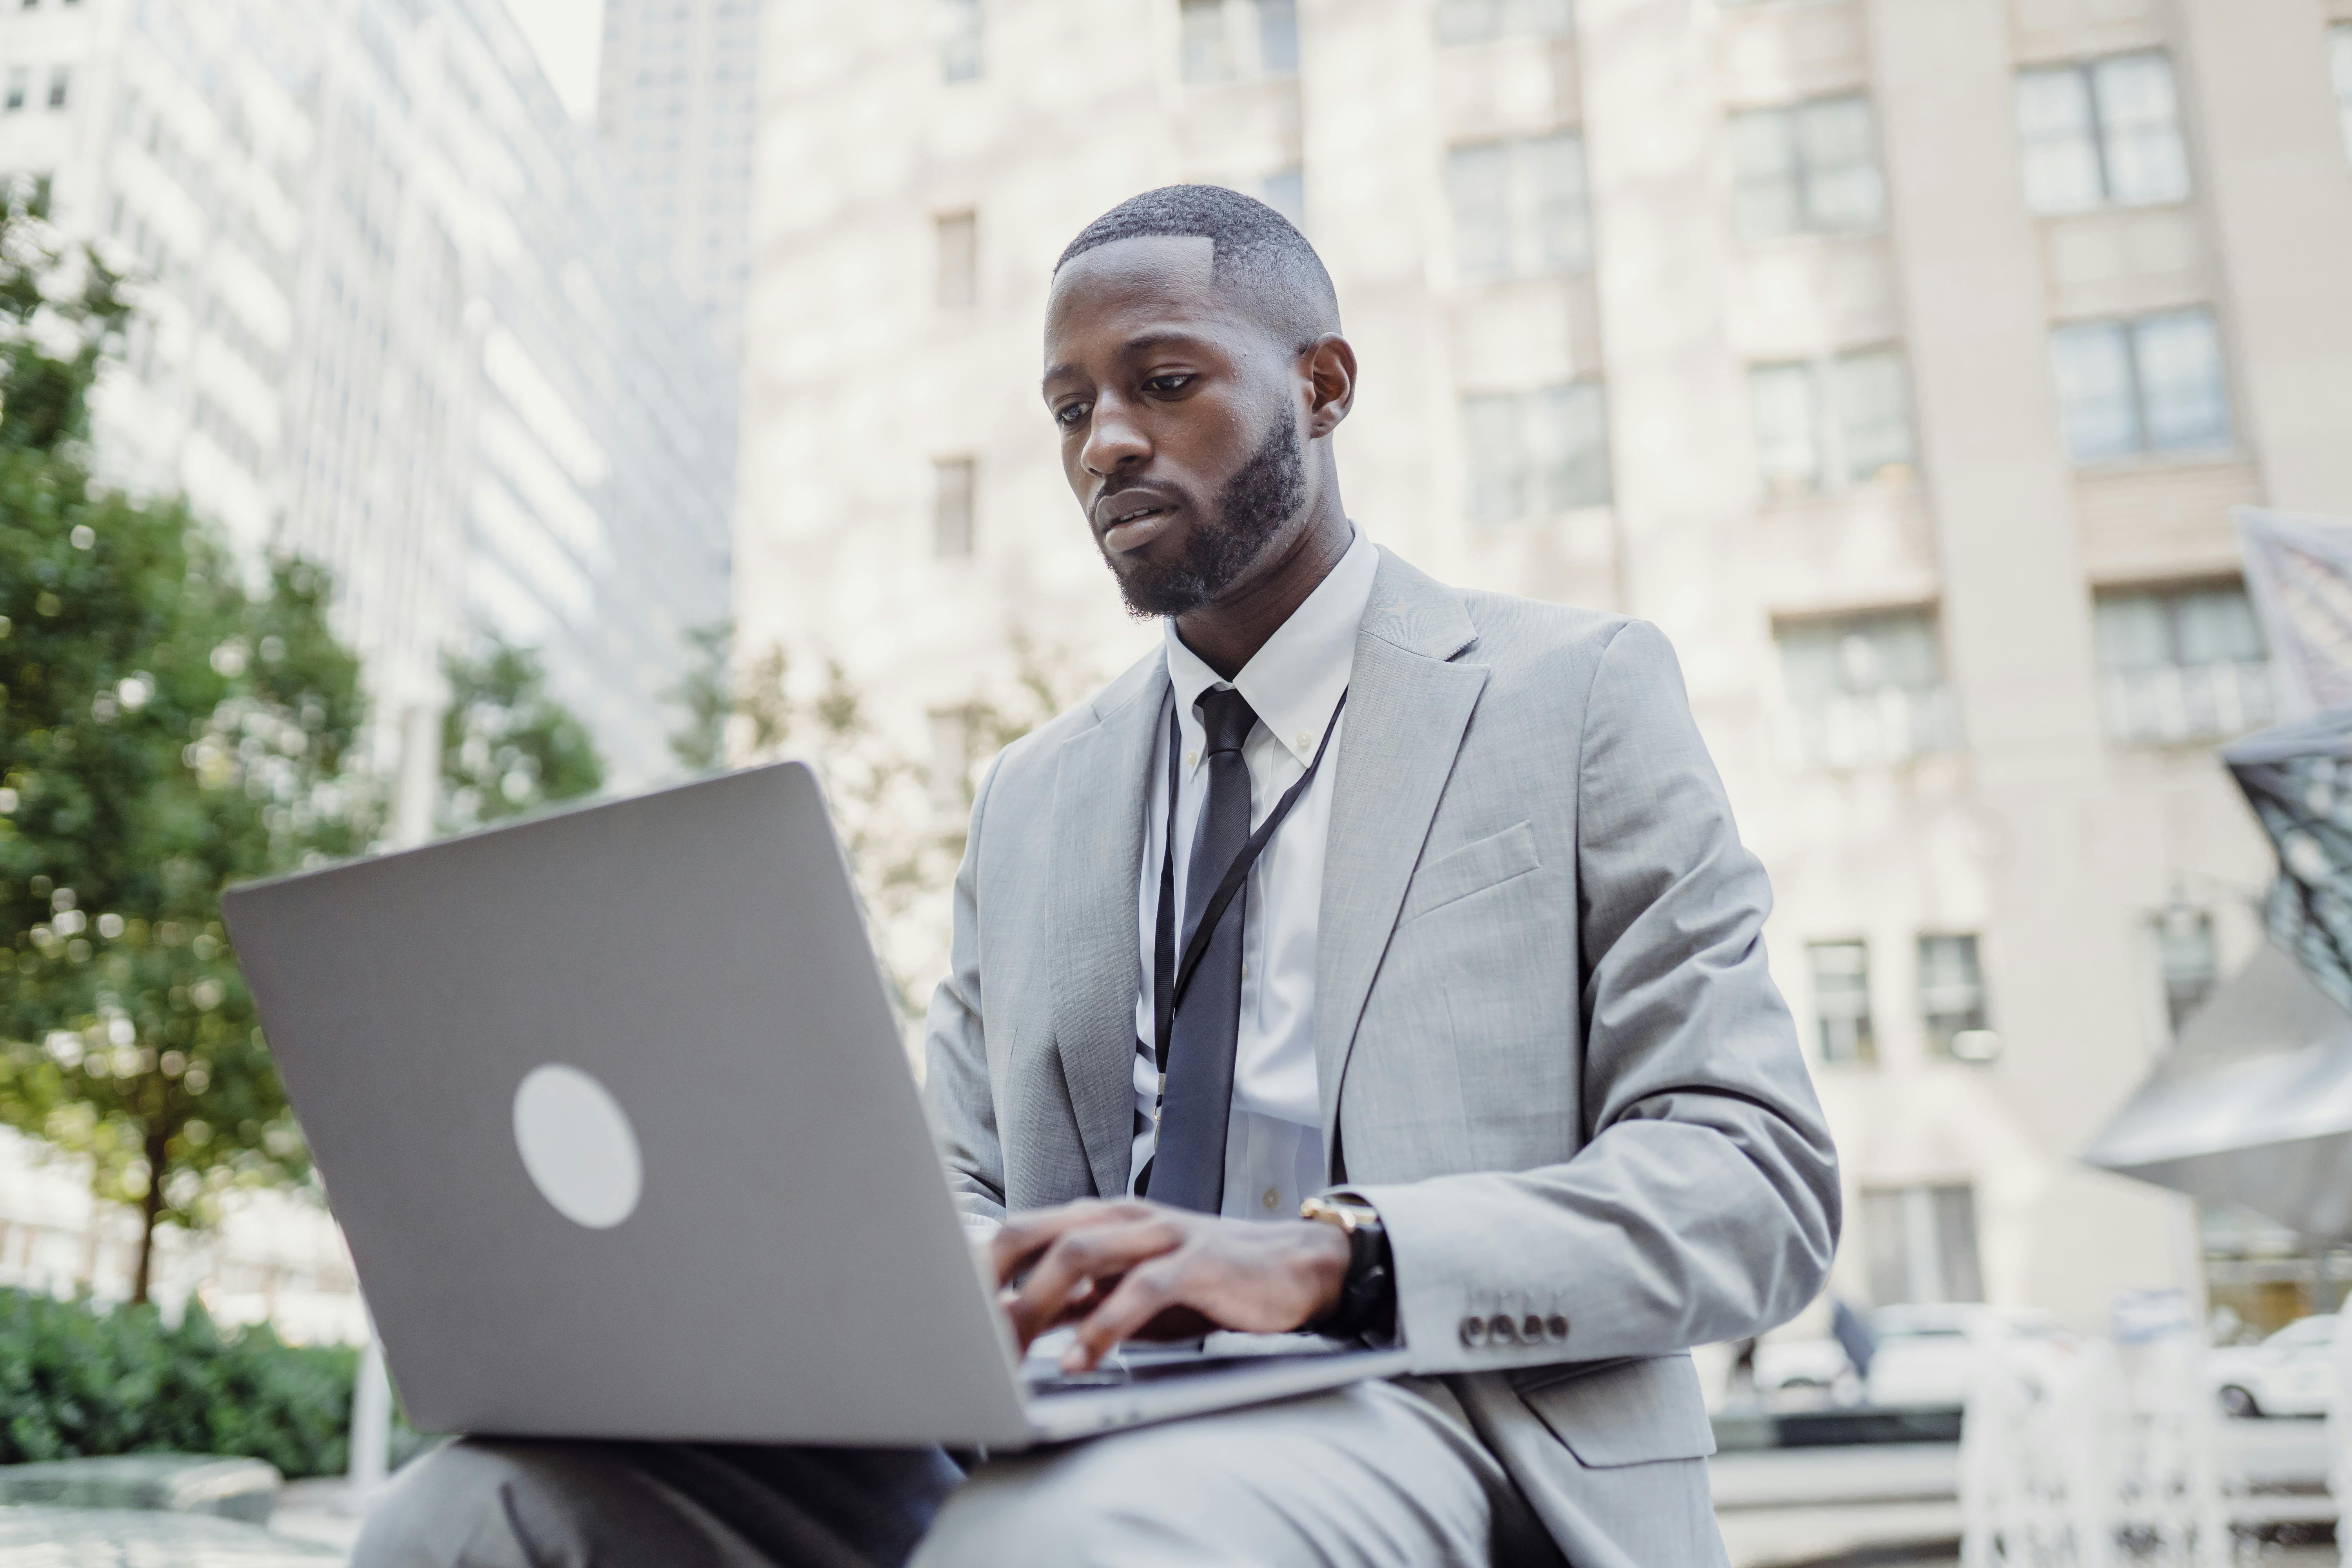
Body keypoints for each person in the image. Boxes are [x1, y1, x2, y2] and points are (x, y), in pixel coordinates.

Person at [356, 185, 1840, 1568]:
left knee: (1056, 1547)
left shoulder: (1573, 697)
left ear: (1322, 388)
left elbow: (1751, 1182)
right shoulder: (1031, 796)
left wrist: (1333, 1261)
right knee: (470, 1513)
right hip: (1062, 1411)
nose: (1103, 444)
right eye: (1070, 411)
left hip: (1423, 1403)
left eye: (1162, 384)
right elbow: (957, 1180)